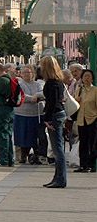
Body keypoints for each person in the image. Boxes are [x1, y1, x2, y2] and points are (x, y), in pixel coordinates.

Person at [40, 56, 67, 187]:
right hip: (58, 113)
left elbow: (52, 103)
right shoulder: (58, 82)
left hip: (54, 115)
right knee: (57, 148)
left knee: (57, 149)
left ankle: (60, 179)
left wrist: (47, 119)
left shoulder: (52, 83)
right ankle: (57, 177)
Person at [13, 65, 44, 164]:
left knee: (35, 136)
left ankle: (36, 155)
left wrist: (37, 95)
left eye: (29, 72)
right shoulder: (19, 84)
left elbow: (43, 93)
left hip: (36, 114)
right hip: (22, 114)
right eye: (25, 72)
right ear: (21, 74)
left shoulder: (38, 84)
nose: (27, 74)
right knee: (23, 135)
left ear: (33, 74)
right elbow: (21, 95)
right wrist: (32, 98)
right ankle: (23, 156)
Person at [74, 69, 96, 173]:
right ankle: (83, 165)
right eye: (85, 76)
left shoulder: (95, 90)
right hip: (81, 119)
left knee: (92, 143)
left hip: (92, 119)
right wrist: (76, 100)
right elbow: (75, 104)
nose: (86, 78)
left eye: (88, 76)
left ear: (92, 78)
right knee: (83, 143)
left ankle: (91, 165)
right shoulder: (79, 89)